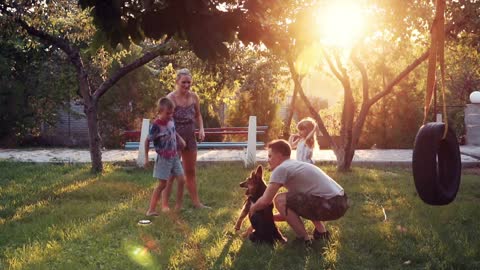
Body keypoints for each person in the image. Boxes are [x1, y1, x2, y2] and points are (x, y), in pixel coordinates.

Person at [249, 139, 348, 244]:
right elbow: (292, 211)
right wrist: (269, 218)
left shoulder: (281, 169)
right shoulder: (295, 165)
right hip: (340, 202)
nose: (268, 160)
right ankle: (322, 233)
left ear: (279, 155)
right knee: (302, 198)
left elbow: (266, 201)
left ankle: (304, 239)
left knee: (280, 200)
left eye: (270, 156)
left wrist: (253, 209)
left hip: (331, 204)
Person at [161, 68, 209, 210]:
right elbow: (165, 121)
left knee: (190, 171)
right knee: (171, 173)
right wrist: (177, 137)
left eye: (189, 82)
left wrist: (201, 128)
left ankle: (196, 203)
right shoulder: (170, 98)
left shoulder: (194, 97)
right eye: (183, 82)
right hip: (174, 137)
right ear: (177, 82)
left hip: (190, 136)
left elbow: (198, 115)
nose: (186, 85)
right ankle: (164, 205)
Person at [145, 97, 186, 216]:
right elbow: (147, 141)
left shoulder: (171, 120)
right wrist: (147, 158)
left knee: (182, 179)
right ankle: (151, 210)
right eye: (168, 113)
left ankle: (178, 206)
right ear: (160, 111)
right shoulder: (156, 126)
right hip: (164, 158)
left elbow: (173, 131)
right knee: (162, 184)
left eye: (172, 112)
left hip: (174, 156)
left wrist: (180, 139)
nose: (170, 115)